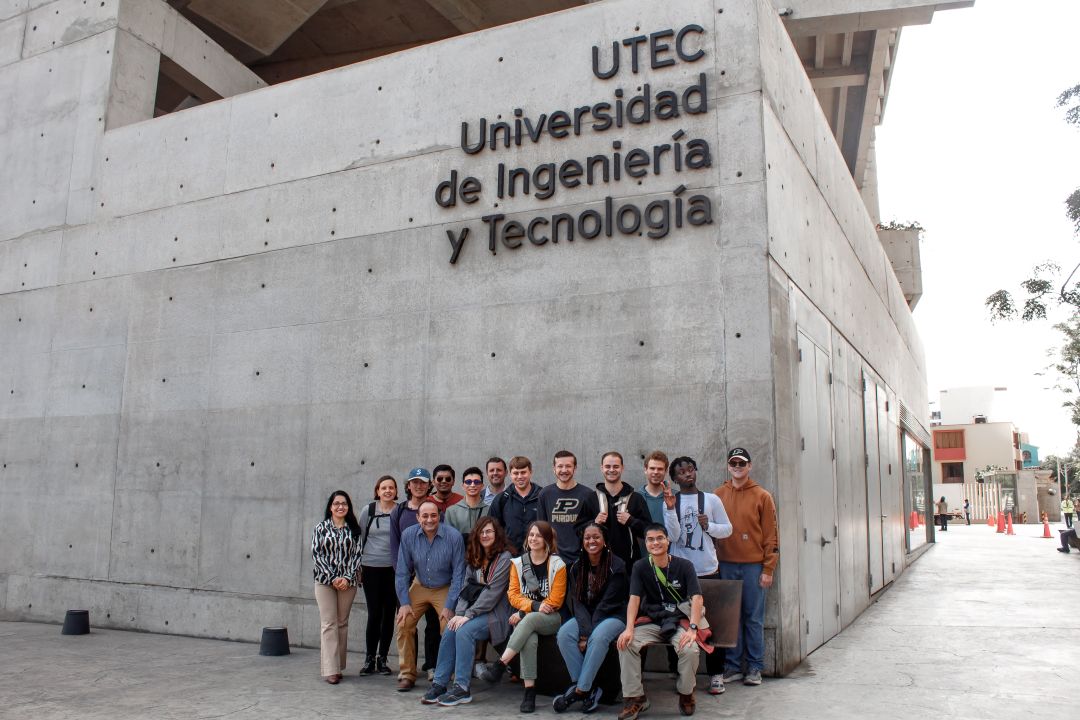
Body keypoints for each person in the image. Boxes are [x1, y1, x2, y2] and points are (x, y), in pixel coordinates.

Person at [616, 524, 705, 719]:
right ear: (646, 543)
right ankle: (635, 699)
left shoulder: (684, 565)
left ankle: (686, 694)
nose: (655, 542)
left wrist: (692, 629)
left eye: (659, 538)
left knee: (690, 649)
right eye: (650, 539)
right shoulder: (640, 567)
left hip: (679, 620)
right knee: (626, 644)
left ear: (668, 540)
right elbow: (634, 599)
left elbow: (697, 598)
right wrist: (629, 628)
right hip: (654, 619)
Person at [423, 516, 514, 707]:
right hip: (473, 612)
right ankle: (440, 683)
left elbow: (492, 595)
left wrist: (467, 616)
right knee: (450, 628)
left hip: (495, 615)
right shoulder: (474, 556)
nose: (485, 535)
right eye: (481, 532)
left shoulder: (504, 558)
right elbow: (465, 589)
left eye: (489, 531)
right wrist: (459, 614)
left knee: (465, 631)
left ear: (496, 534)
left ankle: (462, 688)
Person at [480, 521, 568, 713]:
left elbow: (555, 601)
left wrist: (523, 612)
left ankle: (501, 664)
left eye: (539, 535)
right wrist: (533, 606)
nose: (534, 539)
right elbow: (513, 595)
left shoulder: (558, 565)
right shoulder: (518, 564)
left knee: (528, 620)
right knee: (529, 639)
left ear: (547, 539)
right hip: (531, 616)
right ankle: (530, 693)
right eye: (531, 535)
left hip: (551, 619)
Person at [663, 456, 733, 694]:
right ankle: (680, 672)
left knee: (713, 625)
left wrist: (709, 526)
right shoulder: (671, 500)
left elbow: (727, 529)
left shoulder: (711, 499)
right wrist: (671, 509)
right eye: (681, 472)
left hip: (708, 570)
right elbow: (672, 537)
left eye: (690, 469)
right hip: (681, 572)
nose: (687, 474)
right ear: (674, 479)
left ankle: (716, 674)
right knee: (677, 622)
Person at [715, 447, 778, 688]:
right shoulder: (718, 494)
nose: (738, 468)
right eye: (734, 463)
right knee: (731, 619)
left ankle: (754, 667)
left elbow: (771, 536)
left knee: (753, 618)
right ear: (728, 466)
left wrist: (768, 569)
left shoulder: (762, 496)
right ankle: (732, 667)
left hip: (753, 567)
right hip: (726, 565)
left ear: (749, 466)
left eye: (742, 464)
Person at [553, 523, 628, 714]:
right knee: (564, 634)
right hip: (586, 616)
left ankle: (579, 690)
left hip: (614, 616)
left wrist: (588, 634)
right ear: (582, 541)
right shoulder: (577, 566)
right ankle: (589, 690)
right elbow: (577, 603)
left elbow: (607, 605)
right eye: (587, 537)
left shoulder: (616, 565)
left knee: (599, 637)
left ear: (604, 541)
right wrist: (584, 631)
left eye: (596, 537)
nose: (591, 541)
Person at [394, 499, 467, 691]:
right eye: (424, 515)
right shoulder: (409, 535)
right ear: (418, 517)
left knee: (448, 624)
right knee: (403, 622)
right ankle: (407, 674)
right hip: (419, 584)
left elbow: (459, 574)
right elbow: (401, 571)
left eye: (433, 515)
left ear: (439, 516)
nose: (429, 519)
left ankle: (445, 673)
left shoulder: (454, 537)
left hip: (445, 586)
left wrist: (450, 604)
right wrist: (404, 602)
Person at [391, 467, 442, 680]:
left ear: (429, 485)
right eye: (415, 482)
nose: (418, 486)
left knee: (434, 625)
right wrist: (403, 573)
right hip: (409, 579)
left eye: (423, 482)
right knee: (406, 622)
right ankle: (408, 672)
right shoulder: (400, 511)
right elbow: (395, 546)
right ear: (409, 485)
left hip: (435, 579)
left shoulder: (436, 510)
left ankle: (432, 665)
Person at [311, 490, 362, 684]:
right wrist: (333, 577)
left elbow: (358, 555)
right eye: (336, 503)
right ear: (330, 507)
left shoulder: (354, 529)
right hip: (325, 582)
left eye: (344, 503)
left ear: (348, 507)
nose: (340, 506)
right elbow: (317, 554)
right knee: (328, 623)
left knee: (341, 623)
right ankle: (330, 670)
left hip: (348, 583)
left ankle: (338, 665)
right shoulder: (321, 528)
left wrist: (347, 578)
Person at [357, 476, 399, 676]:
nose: (388, 491)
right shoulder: (369, 511)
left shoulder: (399, 511)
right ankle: (369, 658)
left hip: (392, 569)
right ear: (377, 491)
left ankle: (383, 658)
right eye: (384, 488)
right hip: (370, 567)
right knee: (374, 614)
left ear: (396, 491)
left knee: (389, 614)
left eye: (391, 487)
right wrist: (358, 568)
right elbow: (360, 539)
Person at [583, 451, 652, 568]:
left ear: (622, 468)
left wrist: (631, 521)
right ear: (601, 468)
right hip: (598, 565)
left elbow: (648, 532)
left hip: (629, 565)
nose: (611, 470)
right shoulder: (591, 498)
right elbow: (578, 530)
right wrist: (593, 523)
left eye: (616, 466)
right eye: (607, 466)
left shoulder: (636, 498)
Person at [538, 450, 595, 564]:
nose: (564, 470)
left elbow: (592, 528)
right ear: (554, 468)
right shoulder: (545, 494)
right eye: (560, 466)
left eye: (568, 466)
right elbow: (542, 528)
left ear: (575, 468)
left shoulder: (588, 494)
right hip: (553, 559)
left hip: (581, 559)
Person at [488, 455, 543, 551]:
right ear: (510, 475)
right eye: (516, 473)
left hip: (537, 555)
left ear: (530, 472)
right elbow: (492, 529)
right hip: (510, 556)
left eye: (523, 472)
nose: (520, 476)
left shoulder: (542, 496)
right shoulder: (501, 499)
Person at [445, 466, 490, 543]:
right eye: (468, 482)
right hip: (459, 553)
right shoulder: (451, 511)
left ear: (482, 486)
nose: (472, 485)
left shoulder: (489, 509)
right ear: (463, 486)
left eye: (476, 482)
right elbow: (448, 539)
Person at [637, 451, 670, 524]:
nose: (656, 472)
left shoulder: (674, 496)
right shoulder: (636, 497)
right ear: (645, 470)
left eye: (660, 469)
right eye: (652, 468)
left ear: (666, 471)